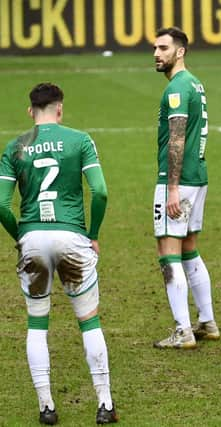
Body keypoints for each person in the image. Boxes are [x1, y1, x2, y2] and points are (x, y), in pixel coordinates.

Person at [0, 83, 118, 424]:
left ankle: (46, 407)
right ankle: (105, 405)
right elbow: (100, 192)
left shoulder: (15, 146)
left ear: (30, 111)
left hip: (33, 238)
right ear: (60, 109)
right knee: (88, 321)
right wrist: (92, 234)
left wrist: (20, 236)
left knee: (37, 324)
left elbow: (2, 205)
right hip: (71, 237)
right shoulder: (80, 140)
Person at [152, 27, 219, 349]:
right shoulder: (195, 83)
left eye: (163, 48)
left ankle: (182, 330)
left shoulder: (177, 88)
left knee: (168, 252)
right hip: (198, 176)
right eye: (155, 48)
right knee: (189, 247)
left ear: (180, 52)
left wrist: (172, 188)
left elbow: (177, 139)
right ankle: (207, 321)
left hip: (179, 180)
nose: (156, 53)